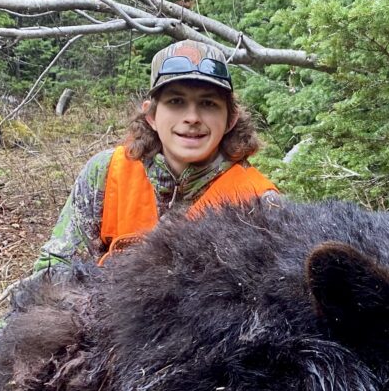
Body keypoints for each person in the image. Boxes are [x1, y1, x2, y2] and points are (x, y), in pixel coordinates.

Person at [33, 40, 278, 272]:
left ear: (230, 119)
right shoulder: (106, 173)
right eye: (176, 101)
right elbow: (54, 268)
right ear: (151, 115)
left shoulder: (259, 202)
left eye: (208, 104)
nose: (192, 118)